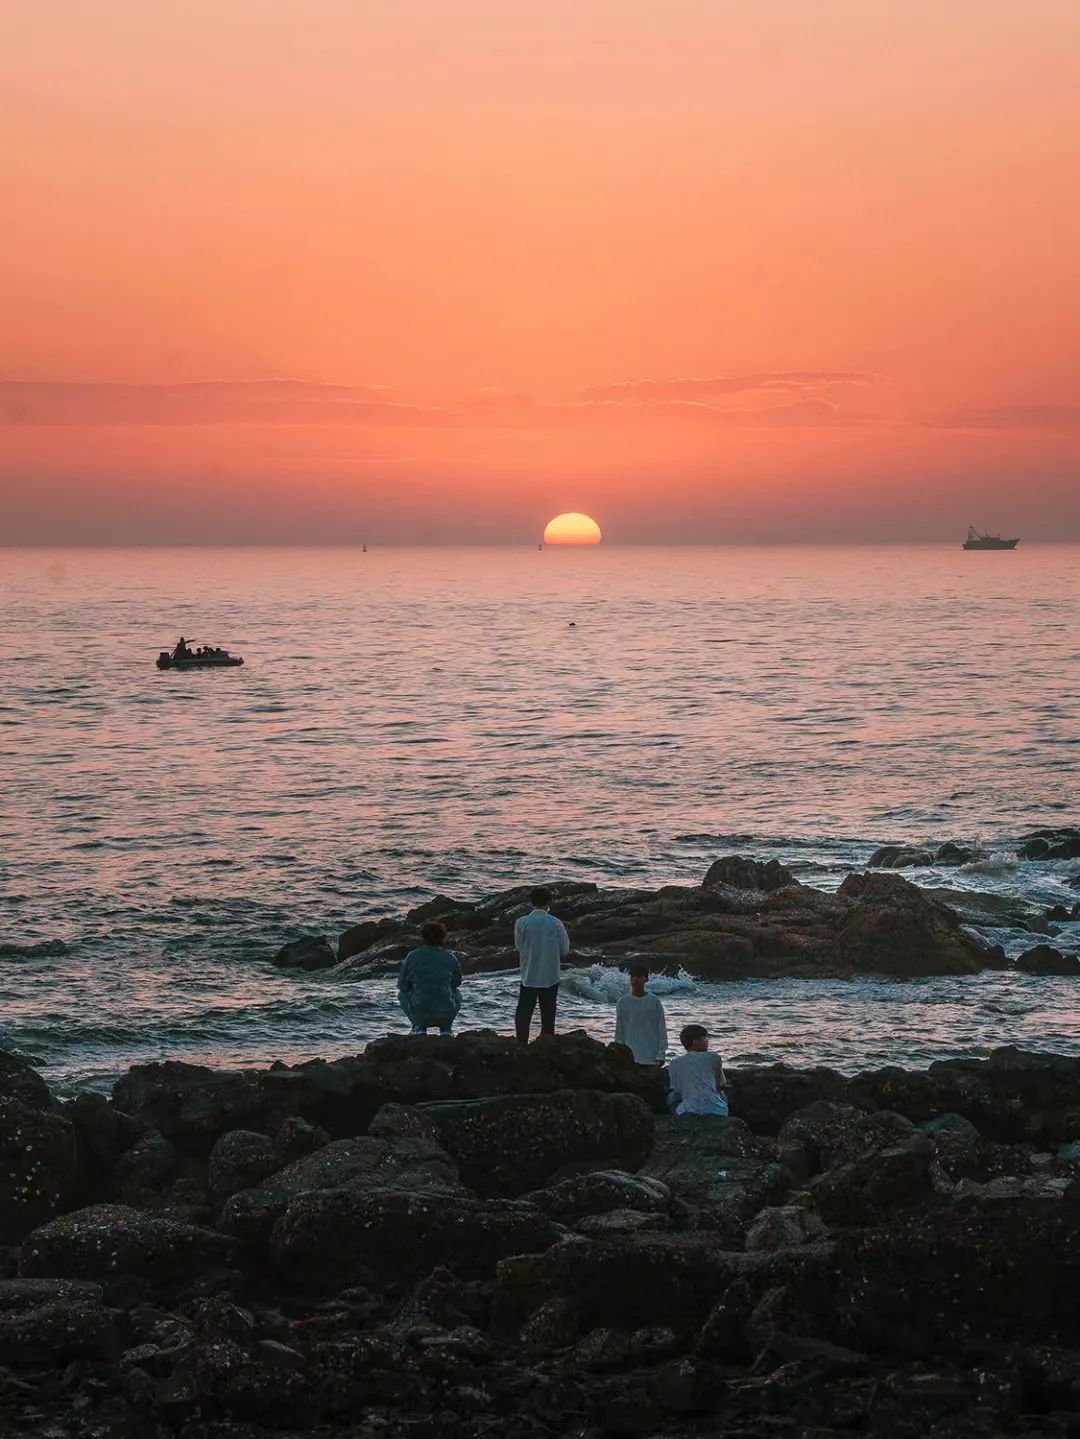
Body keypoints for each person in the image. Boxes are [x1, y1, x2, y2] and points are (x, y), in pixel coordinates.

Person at [513, 886, 570, 1045]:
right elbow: (565, 949)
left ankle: (521, 1045)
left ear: (531, 902)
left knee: (523, 1014)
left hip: (528, 975)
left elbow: (519, 946)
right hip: (550, 975)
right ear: (549, 902)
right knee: (548, 1015)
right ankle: (546, 1045)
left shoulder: (521, 922)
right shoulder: (556, 923)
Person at [398, 921, 463, 1036]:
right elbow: (457, 982)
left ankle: (418, 1027)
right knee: (457, 993)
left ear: (423, 937)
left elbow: (402, 985)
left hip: (420, 1012)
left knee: (402, 994)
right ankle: (446, 1029)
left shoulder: (412, 956)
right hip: (445, 1013)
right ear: (442, 938)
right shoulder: (450, 957)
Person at [666, 1024, 729, 1116]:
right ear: (695, 1041)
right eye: (705, 1039)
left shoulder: (674, 1063)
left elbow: (677, 1089)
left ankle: (678, 1119)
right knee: (722, 1094)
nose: (707, 1042)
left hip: (688, 1111)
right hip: (717, 1110)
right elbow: (720, 1084)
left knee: (671, 1097)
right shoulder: (714, 1058)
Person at [614, 962, 668, 1066]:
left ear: (645, 979)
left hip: (651, 1056)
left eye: (638, 977)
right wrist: (618, 1051)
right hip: (629, 1057)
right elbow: (619, 1029)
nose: (635, 980)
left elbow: (661, 1029)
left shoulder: (654, 1001)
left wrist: (661, 1054)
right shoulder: (622, 1001)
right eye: (632, 976)